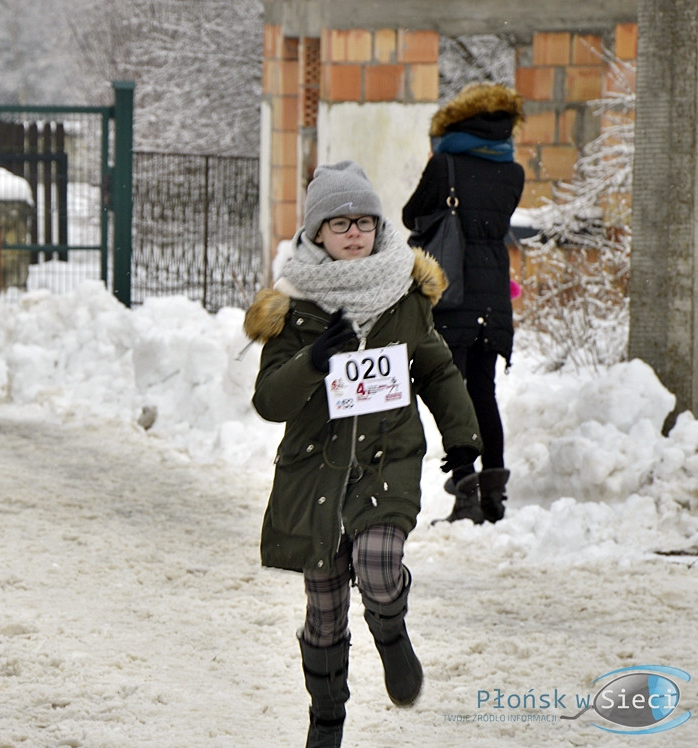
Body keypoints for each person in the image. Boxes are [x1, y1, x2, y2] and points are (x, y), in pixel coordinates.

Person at [243, 161, 480, 747]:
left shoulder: (405, 294)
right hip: (315, 470)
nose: (355, 233)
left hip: (386, 459)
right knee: (324, 611)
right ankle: (326, 721)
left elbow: (437, 370)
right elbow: (269, 401)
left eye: (365, 222)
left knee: (377, 563)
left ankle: (391, 631)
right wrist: (313, 360)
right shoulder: (292, 307)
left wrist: (463, 443)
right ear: (317, 232)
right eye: (340, 223)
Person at [402, 82, 525, 524]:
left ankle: (467, 495)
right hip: (493, 298)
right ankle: (494, 498)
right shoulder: (513, 171)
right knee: (483, 392)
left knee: (452, 396)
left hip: (452, 293)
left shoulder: (446, 164)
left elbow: (411, 215)